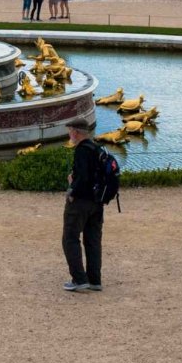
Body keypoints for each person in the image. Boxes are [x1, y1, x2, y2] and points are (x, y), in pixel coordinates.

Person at [63, 119, 107, 292]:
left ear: (75, 132)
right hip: (97, 202)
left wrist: (72, 190)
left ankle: (79, 279)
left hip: (81, 202)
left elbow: (82, 178)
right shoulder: (97, 149)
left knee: (70, 238)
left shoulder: (81, 150)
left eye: (70, 131)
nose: (69, 135)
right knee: (93, 240)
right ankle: (95, 280)